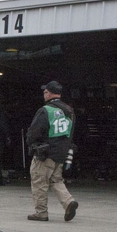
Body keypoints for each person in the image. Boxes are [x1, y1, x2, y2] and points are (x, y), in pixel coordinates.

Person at [26, 81, 79, 222]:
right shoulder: (69, 111)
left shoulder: (45, 110)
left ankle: (41, 213)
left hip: (45, 154)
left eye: (45, 92)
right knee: (56, 180)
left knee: (39, 182)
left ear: (48, 93)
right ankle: (68, 202)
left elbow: (34, 132)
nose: (44, 94)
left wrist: (31, 144)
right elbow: (71, 133)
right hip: (61, 153)